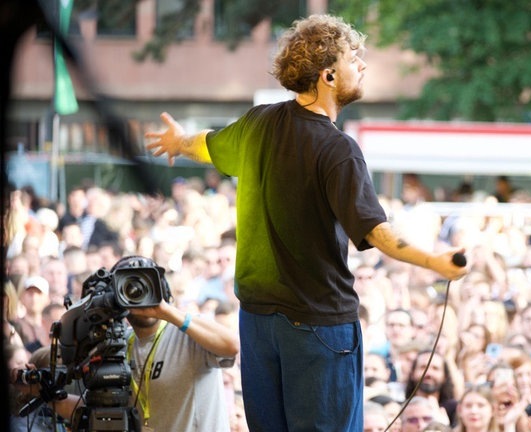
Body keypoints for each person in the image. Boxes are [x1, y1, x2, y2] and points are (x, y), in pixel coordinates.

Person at [145, 14, 467, 431]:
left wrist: (177, 142)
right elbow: (374, 230)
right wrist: (434, 261)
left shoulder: (258, 123)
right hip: (318, 328)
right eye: (355, 58)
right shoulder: (338, 149)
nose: (363, 66)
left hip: (257, 324)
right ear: (329, 74)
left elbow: (207, 145)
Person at [120, 256, 239, 431]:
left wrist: (166, 310)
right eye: (130, 289)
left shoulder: (189, 331)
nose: (141, 295)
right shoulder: (121, 344)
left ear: (164, 290)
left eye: (149, 286)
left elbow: (231, 346)